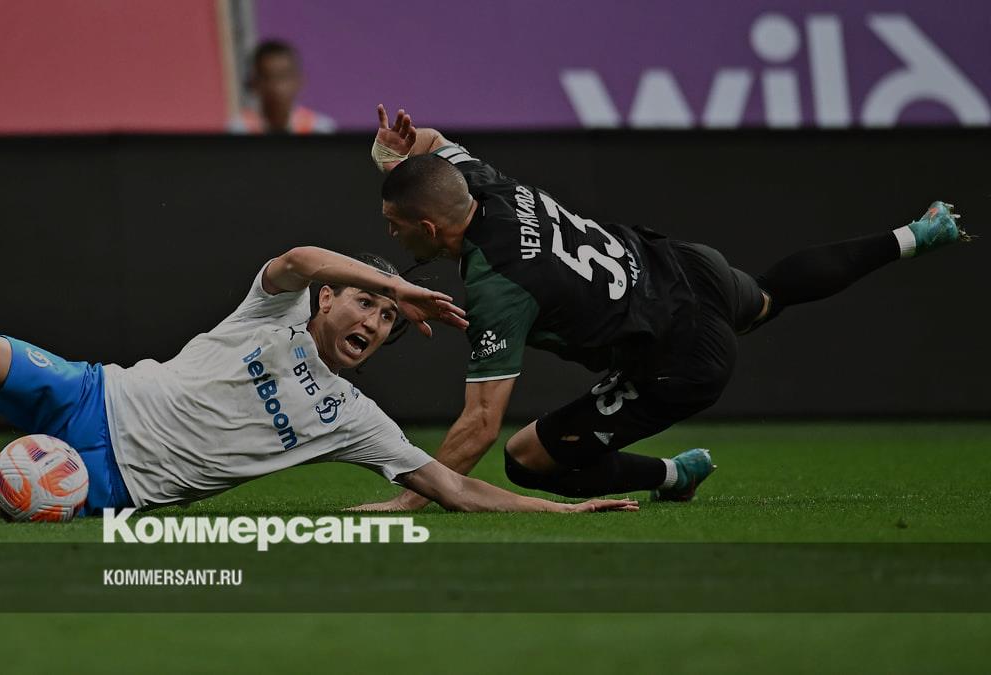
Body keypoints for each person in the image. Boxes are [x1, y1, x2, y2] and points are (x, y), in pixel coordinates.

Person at [356, 104, 971, 511]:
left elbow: (480, 426)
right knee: (766, 296)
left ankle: (671, 475)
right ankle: (916, 235)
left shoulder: (498, 284)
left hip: (679, 356)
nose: (390, 233)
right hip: (683, 267)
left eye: (394, 224)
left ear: (430, 229)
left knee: (526, 461)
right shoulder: (485, 183)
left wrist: (411, 499)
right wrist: (392, 157)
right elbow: (431, 144)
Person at [0, 244, 640, 518]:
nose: (375, 321)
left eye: (388, 319)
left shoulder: (354, 417)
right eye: (365, 302)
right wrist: (399, 282)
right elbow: (298, 259)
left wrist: (561, 509)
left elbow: (452, 486)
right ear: (328, 298)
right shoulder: (270, 313)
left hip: (110, 481)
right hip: (94, 392)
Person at [228, 40, 335, 135]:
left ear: (299, 81)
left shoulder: (320, 129)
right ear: (254, 83)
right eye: (268, 77)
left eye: (284, 77)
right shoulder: (239, 129)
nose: (277, 86)